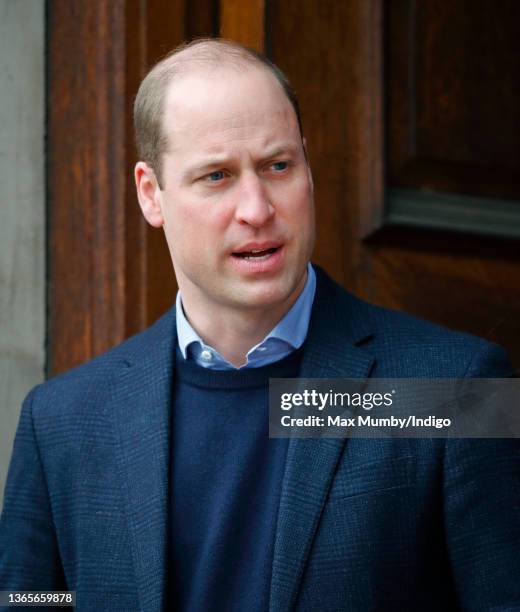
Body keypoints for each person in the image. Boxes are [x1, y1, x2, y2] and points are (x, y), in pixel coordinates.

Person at [0, 38, 518, 612]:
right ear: (152, 194)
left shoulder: (459, 391)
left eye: (278, 166)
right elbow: (30, 599)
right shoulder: (63, 421)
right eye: (217, 175)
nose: (257, 208)